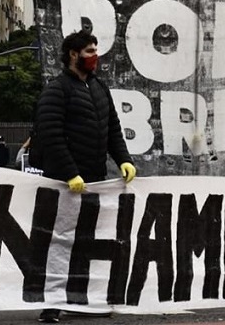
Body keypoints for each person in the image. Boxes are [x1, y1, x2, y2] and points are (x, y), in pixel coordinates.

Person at [34, 30, 136, 324]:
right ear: (72, 55)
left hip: (95, 180)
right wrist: (70, 173)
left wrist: (124, 161)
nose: (95, 56)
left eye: (95, 50)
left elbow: (112, 130)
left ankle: (83, 299)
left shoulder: (99, 88)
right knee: (60, 242)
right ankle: (51, 303)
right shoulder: (56, 90)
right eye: (89, 51)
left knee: (90, 241)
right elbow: (51, 135)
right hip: (65, 183)